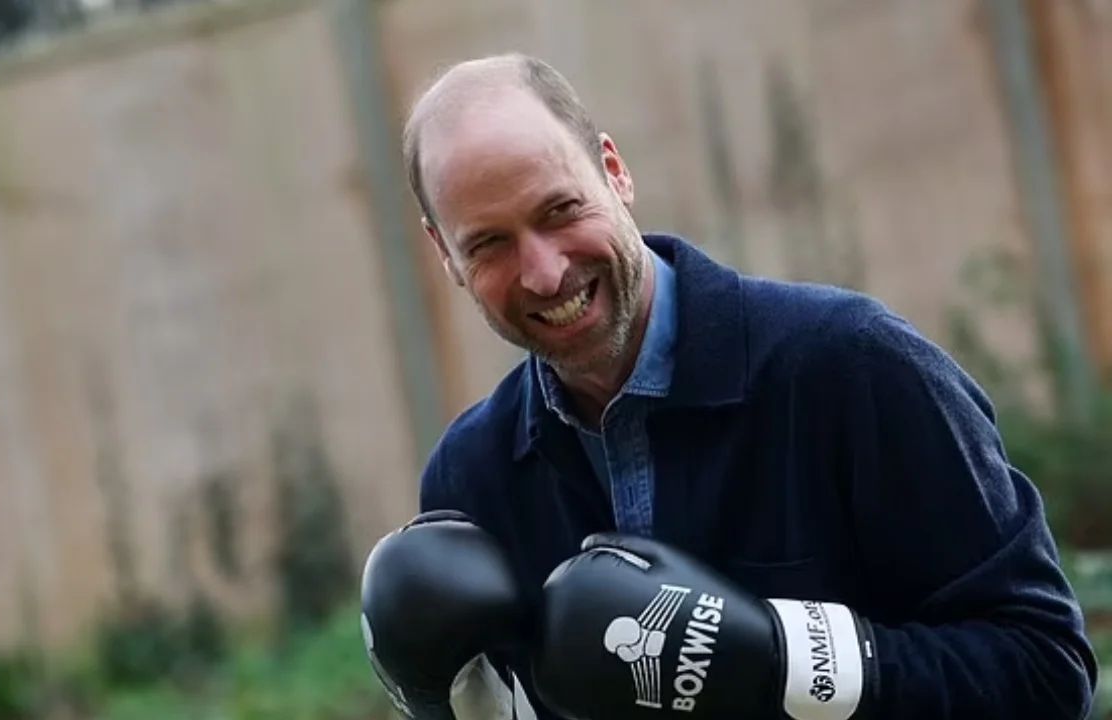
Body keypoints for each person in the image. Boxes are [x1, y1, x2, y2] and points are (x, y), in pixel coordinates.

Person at [359, 52, 1099, 719]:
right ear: (444, 255)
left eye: (561, 210)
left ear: (614, 171)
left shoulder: (849, 368)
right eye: (488, 243)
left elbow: (1044, 670)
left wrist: (784, 660)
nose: (546, 272)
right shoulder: (470, 478)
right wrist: (444, 703)